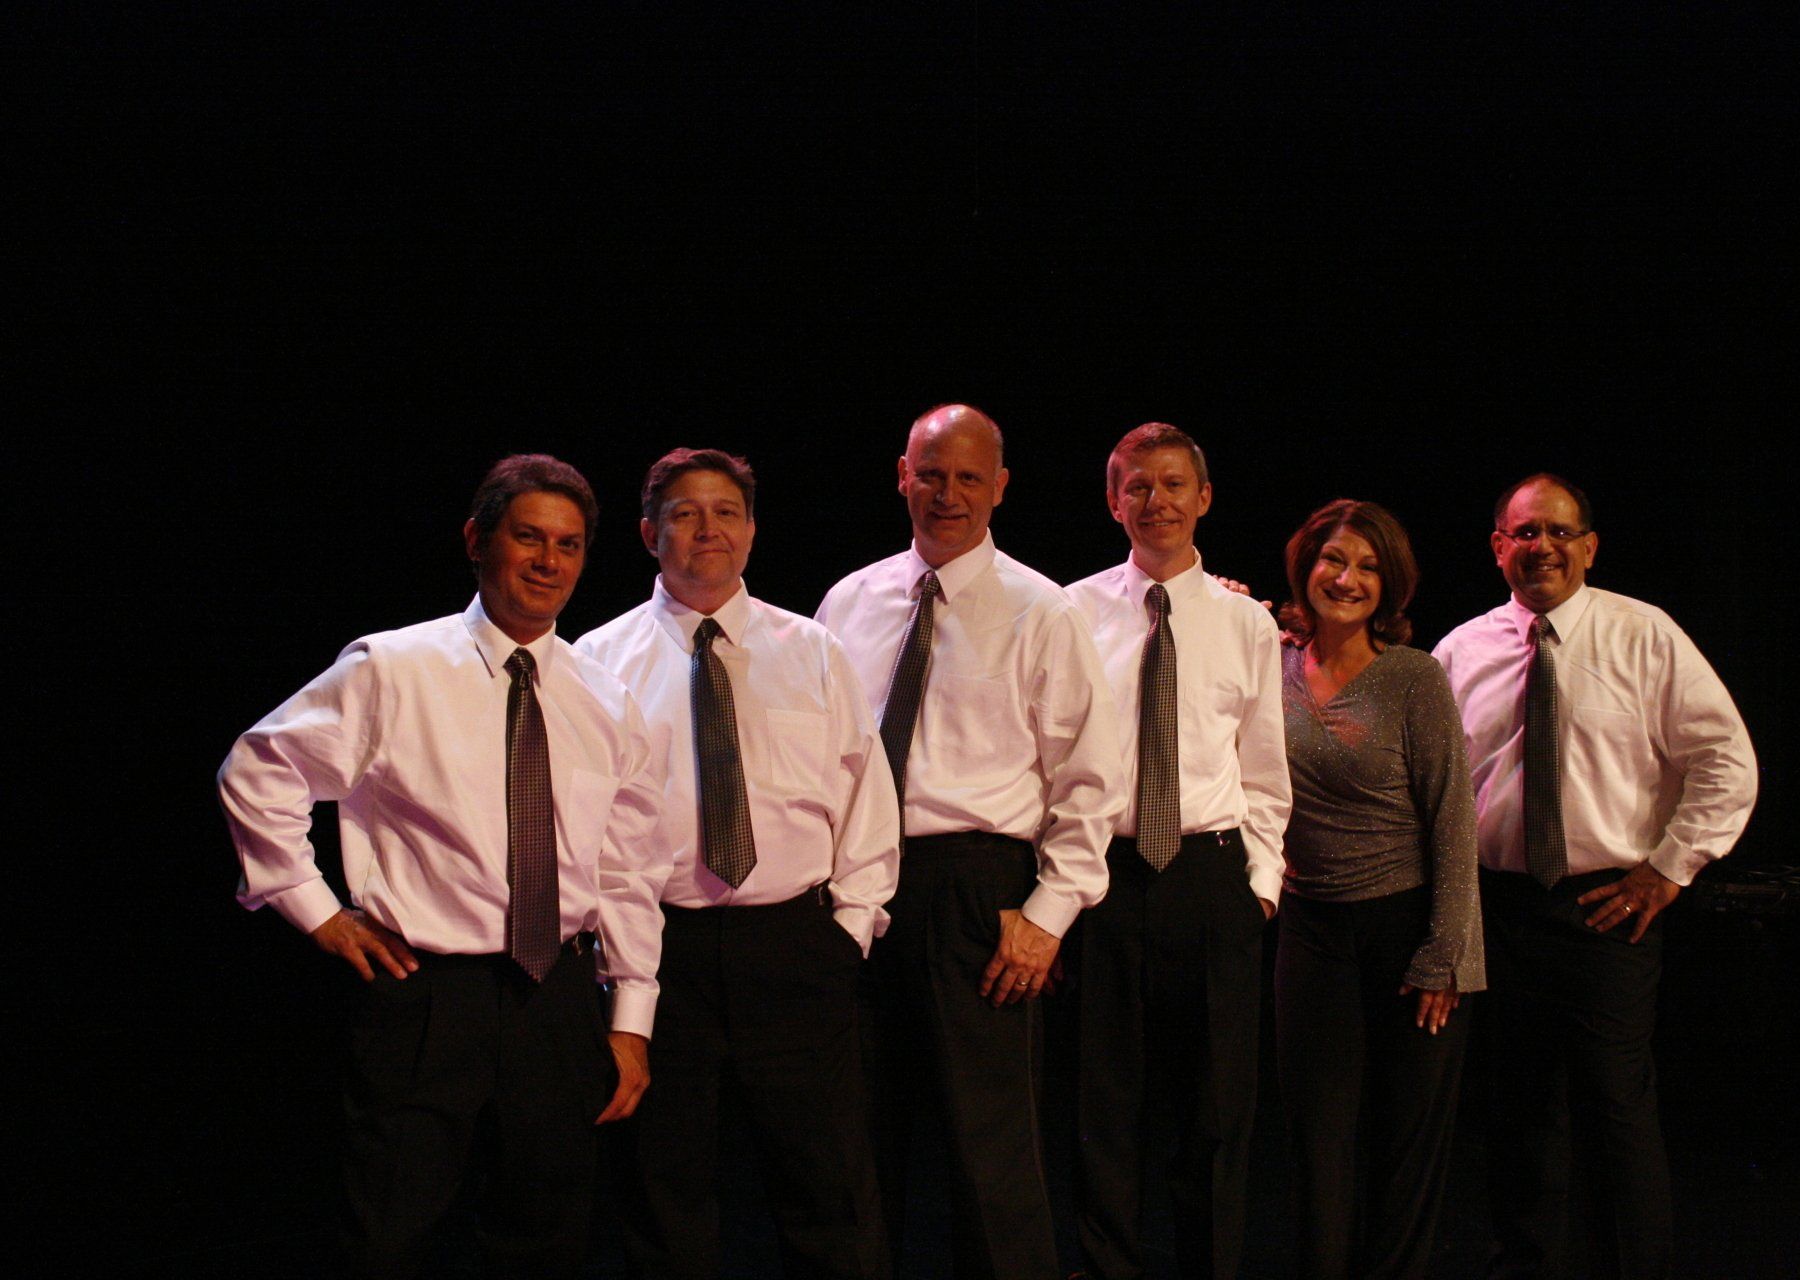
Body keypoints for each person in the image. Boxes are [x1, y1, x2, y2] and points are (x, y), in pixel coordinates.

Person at [217, 454, 670, 1279]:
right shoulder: (395, 668)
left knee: (546, 1240)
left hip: (557, 1002)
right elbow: (259, 771)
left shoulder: (607, 698)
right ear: (477, 540)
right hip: (427, 997)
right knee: (386, 1236)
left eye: (567, 546)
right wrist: (311, 906)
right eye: (527, 537)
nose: (547, 561)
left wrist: (631, 1018)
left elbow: (629, 867)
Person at [814, 404, 1123, 1280]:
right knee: (854, 1154)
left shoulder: (1040, 609)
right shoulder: (848, 601)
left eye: (968, 477)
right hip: (856, 886)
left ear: (1001, 487)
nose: (947, 494)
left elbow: (1088, 777)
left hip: (975, 894)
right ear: (901, 474)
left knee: (991, 1163)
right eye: (931, 473)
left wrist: (1049, 913)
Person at [574, 448, 897, 1280]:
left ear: (751, 530)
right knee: (663, 1201)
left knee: (829, 1195)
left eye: (726, 511)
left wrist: (850, 930)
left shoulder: (815, 649)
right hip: (661, 958)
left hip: (795, 948)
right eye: (685, 513)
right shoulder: (596, 662)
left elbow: (866, 796)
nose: (707, 529)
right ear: (650, 533)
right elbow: (586, 828)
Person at [1433, 474, 1758, 1280]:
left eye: (1556, 531)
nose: (1539, 546)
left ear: (1588, 545)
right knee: (1517, 1110)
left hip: (1604, 906)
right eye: (1522, 533)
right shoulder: (1460, 650)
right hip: (1496, 905)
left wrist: (1668, 870)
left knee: (1615, 1109)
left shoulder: (1644, 635)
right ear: (1497, 548)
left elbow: (1725, 760)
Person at [1062, 423, 1292, 1280]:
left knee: (1217, 1116)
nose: (1155, 501)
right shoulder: (1070, 613)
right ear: (1113, 500)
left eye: (1172, 485)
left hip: (1211, 875)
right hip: (1106, 878)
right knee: (1102, 1109)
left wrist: (1259, 887)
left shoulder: (1244, 622)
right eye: (1136, 486)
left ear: (1203, 497)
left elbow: (1266, 771)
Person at [1271, 498, 1485, 1280]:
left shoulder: (1413, 678)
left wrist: (1444, 955)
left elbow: (1454, 822)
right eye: (1334, 560)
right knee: (1317, 1145)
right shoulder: (1269, 661)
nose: (1347, 578)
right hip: (1311, 928)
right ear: (1306, 566)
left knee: (1405, 1153)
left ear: (1390, 585)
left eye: (1368, 566)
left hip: (1408, 932)